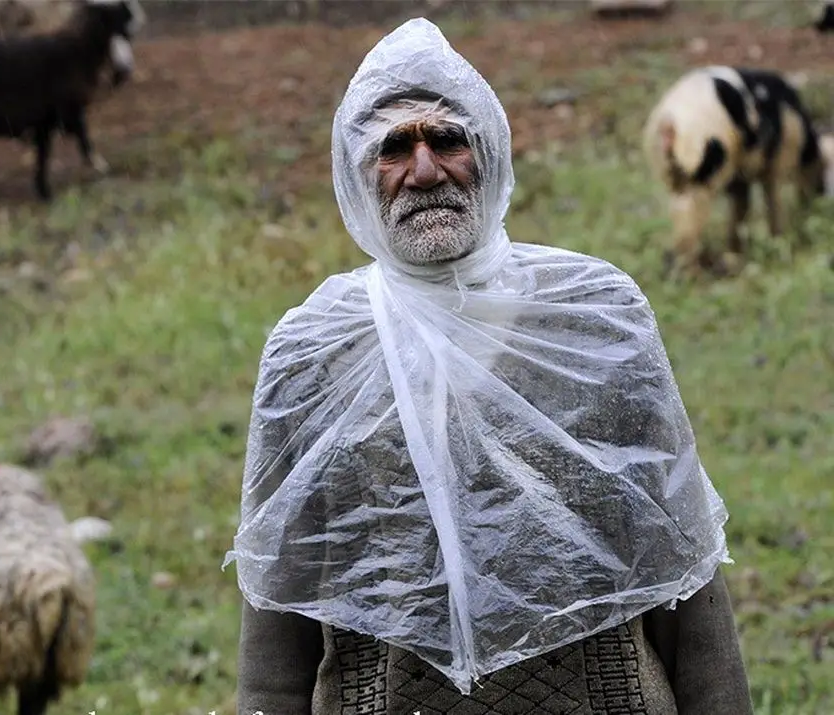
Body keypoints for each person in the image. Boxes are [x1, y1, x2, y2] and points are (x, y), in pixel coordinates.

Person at [224, 17, 754, 715]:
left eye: (447, 139)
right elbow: (276, 620)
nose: (423, 170)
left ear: (491, 153)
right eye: (392, 148)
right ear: (356, 175)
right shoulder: (312, 354)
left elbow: (684, 574)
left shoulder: (596, 320)